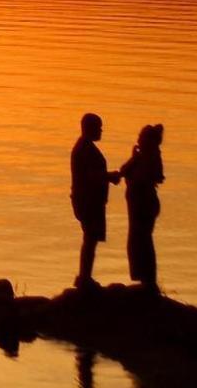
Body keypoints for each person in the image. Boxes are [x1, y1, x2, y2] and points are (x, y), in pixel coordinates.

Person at [70, 113, 121, 287]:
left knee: (90, 239)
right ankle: (84, 278)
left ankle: (85, 276)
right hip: (88, 201)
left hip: (90, 200)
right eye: (98, 128)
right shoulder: (84, 149)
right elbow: (90, 176)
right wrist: (110, 176)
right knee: (90, 239)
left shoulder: (85, 147)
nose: (101, 131)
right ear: (88, 128)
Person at [120, 123, 165, 290]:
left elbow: (142, 178)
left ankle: (148, 280)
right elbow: (124, 170)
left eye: (140, 137)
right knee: (139, 240)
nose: (137, 139)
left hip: (144, 204)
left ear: (146, 140)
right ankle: (144, 277)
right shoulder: (142, 156)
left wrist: (134, 162)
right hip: (139, 204)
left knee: (142, 240)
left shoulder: (151, 157)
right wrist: (133, 158)